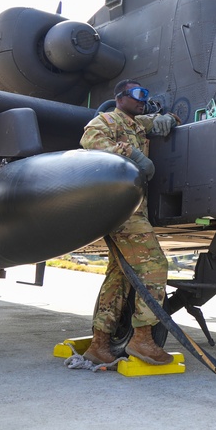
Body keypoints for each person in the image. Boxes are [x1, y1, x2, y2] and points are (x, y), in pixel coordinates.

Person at [79, 79, 179, 366]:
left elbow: (157, 121)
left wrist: (167, 119)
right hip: (122, 211)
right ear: (120, 97)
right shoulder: (107, 120)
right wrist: (132, 154)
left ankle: (100, 343)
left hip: (131, 209)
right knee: (154, 265)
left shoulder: (135, 124)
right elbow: (90, 143)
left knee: (120, 275)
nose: (142, 99)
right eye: (137, 94)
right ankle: (142, 339)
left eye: (145, 95)